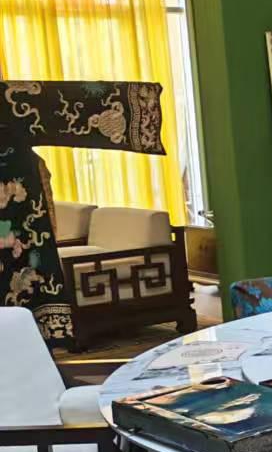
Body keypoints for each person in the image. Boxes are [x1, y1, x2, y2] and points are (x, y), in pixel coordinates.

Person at [0, 80, 166, 342]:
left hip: (16, 218)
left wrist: (137, 105)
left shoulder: (7, 102)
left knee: (25, 304)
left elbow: (59, 106)